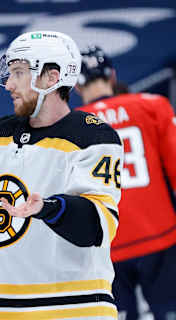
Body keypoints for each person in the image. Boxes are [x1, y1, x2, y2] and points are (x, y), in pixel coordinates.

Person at [0, 31, 124, 319]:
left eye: (19, 72)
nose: (9, 84)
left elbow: (96, 227)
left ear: (52, 77)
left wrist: (48, 208)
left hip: (73, 308)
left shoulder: (93, 136)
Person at [76, 46, 176, 320]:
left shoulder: (68, 126)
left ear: (75, 85)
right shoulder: (152, 105)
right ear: (112, 75)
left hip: (106, 246)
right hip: (160, 234)